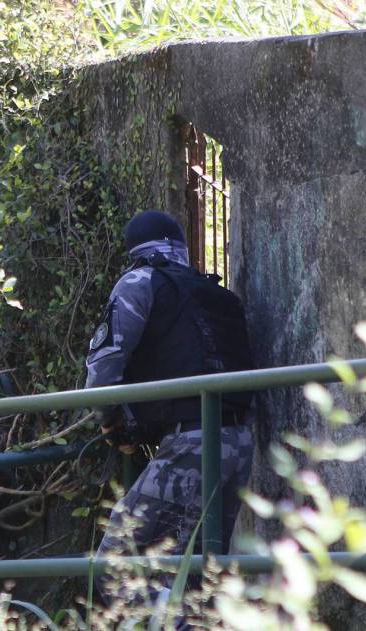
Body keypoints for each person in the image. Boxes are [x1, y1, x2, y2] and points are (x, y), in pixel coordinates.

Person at [85, 210, 254, 597]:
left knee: (116, 559)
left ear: (135, 252)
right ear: (181, 247)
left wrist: (110, 421)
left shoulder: (139, 281)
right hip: (240, 441)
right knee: (193, 568)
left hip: (191, 442)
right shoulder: (214, 293)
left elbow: (104, 364)